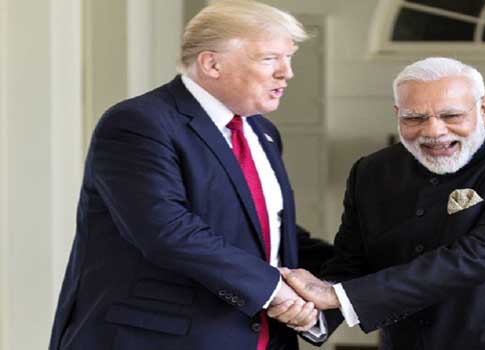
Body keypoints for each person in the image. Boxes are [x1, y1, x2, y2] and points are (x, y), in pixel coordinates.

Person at [48, 1, 332, 349]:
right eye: (270, 58)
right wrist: (276, 293)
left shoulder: (264, 133)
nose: (286, 73)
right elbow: (167, 231)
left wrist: (357, 282)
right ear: (212, 63)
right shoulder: (138, 123)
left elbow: (268, 235)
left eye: (289, 58)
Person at [270, 57, 485, 350]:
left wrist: (339, 297)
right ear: (397, 113)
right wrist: (316, 312)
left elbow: (480, 254)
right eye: (414, 118)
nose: (434, 131)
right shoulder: (370, 171)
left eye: (451, 115)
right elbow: (353, 262)